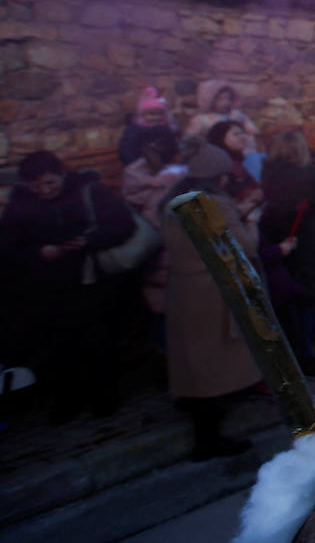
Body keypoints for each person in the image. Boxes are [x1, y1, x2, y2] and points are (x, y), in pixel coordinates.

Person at [0, 150, 137, 423]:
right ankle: (66, 401)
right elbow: (7, 248)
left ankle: (104, 399)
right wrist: (39, 252)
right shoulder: (19, 205)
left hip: (92, 282)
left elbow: (123, 224)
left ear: (61, 175)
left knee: (99, 341)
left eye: (50, 182)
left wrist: (90, 241)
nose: (45, 190)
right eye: (36, 186)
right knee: (59, 346)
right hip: (47, 289)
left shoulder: (89, 190)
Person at [160, 141, 260, 460]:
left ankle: (201, 423)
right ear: (218, 175)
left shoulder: (171, 200)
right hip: (213, 292)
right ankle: (209, 438)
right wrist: (251, 221)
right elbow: (244, 247)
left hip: (182, 291)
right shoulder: (215, 203)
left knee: (194, 363)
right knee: (216, 366)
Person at [260, 130, 315, 377]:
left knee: (289, 301)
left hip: (280, 242)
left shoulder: (268, 173)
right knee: (307, 300)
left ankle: (297, 351)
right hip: (308, 242)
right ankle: (304, 357)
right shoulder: (305, 175)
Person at [121, 125, 186, 342]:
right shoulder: (176, 184)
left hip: (144, 258)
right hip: (175, 263)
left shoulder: (132, 179)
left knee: (157, 315)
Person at [187, 80, 262, 178]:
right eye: (220, 99)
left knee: (253, 158)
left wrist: (247, 136)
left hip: (240, 152)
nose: (226, 103)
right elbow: (190, 138)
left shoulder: (237, 115)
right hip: (215, 153)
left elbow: (253, 131)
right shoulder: (201, 119)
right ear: (209, 100)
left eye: (228, 99)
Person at [206, 120, 266, 225]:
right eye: (236, 134)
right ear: (221, 138)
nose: (242, 137)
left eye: (243, 133)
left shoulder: (239, 163)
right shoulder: (218, 167)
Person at [117, 86, 176, 166]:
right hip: (137, 167)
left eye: (160, 114)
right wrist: (139, 165)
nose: (156, 117)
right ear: (143, 115)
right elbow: (127, 151)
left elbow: (171, 149)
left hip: (160, 167)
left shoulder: (165, 130)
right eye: (151, 114)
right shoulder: (135, 130)